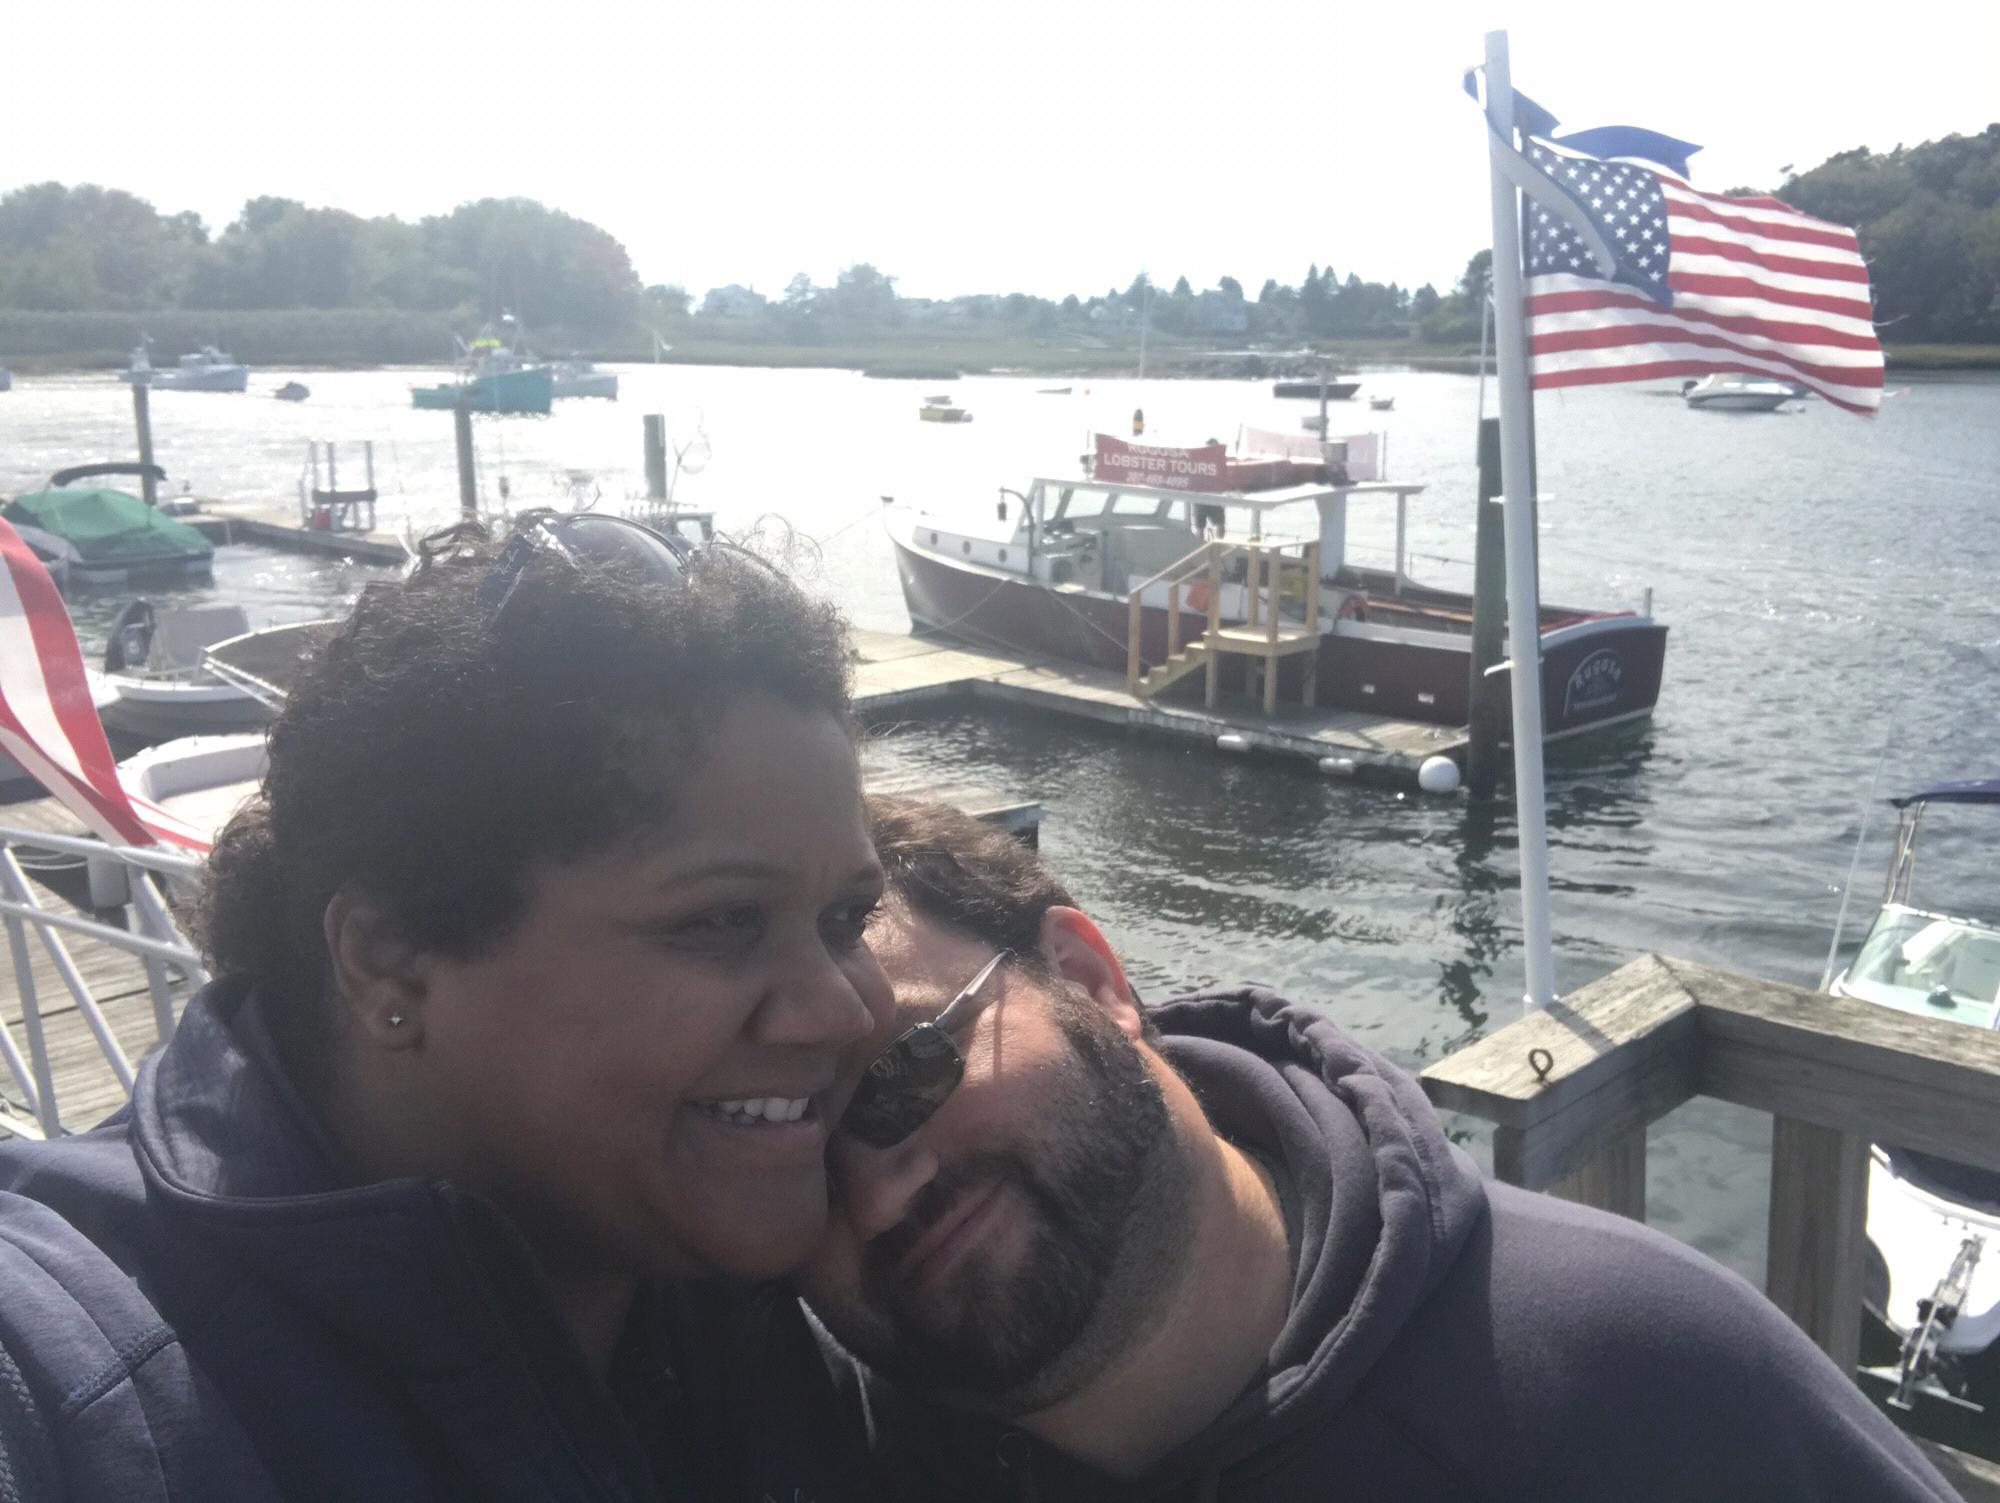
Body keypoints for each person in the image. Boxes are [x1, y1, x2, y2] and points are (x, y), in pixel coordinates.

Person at [0, 513, 898, 1502]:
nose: (839, 1012)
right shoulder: (72, 1360)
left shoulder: (774, 1299)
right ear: (390, 963)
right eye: (722, 920)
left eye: (848, 919)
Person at [799, 796, 1960, 1502]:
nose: (875, 1189)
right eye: (788, 1135)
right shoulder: (804, 1441)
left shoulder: (1642, 1383)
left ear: (1091, 981)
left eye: (907, 1067)